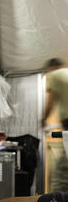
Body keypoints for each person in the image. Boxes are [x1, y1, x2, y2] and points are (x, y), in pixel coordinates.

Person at [43, 57, 68, 192]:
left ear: (51, 69)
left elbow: (50, 103)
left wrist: (43, 119)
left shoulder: (55, 75)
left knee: (62, 172)